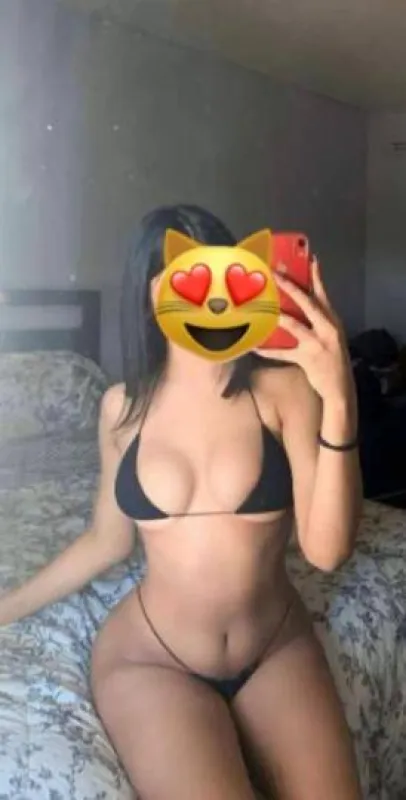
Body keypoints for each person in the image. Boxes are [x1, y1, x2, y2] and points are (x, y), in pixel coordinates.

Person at [0, 205, 363, 799]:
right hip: (152, 659)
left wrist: (339, 395)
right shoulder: (122, 408)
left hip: (274, 644)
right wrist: (6, 607)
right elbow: (107, 540)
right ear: (150, 297)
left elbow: (326, 553)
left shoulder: (285, 388)